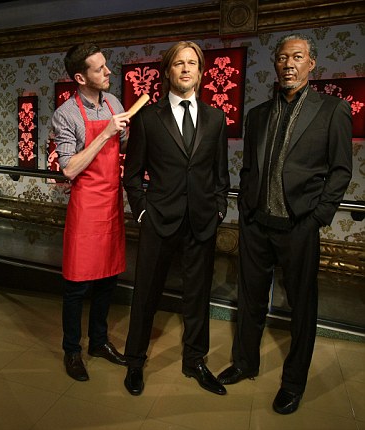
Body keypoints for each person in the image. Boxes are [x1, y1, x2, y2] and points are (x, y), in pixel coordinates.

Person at [217, 34, 353, 414]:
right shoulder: (258, 114)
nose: (288, 64)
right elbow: (248, 168)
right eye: (282, 58)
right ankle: (245, 363)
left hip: (299, 225)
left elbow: (341, 171)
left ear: (311, 64)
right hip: (256, 224)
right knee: (250, 299)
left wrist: (317, 217)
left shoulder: (332, 110)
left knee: (302, 308)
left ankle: (293, 383)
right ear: (275, 64)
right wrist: (246, 208)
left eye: (297, 57)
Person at [122, 41, 230, 396]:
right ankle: (135, 361)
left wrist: (218, 210)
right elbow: (132, 175)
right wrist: (142, 211)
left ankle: (195, 361)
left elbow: (221, 174)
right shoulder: (148, 118)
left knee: (197, 297)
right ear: (168, 72)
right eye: (179, 63)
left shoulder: (216, 119)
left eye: (192, 63)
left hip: (202, 221)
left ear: (200, 72)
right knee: (146, 295)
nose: (186, 68)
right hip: (158, 220)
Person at [51, 42, 131, 382]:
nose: (108, 71)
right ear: (81, 78)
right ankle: (72, 350)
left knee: (107, 280)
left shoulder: (114, 103)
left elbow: (122, 145)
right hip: (85, 207)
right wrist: (107, 133)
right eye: (100, 68)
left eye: (105, 65)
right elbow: (69, 168)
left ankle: (99, 342)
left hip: (111, 203)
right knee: (76, 286)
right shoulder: (66, 114)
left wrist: (125, 134)